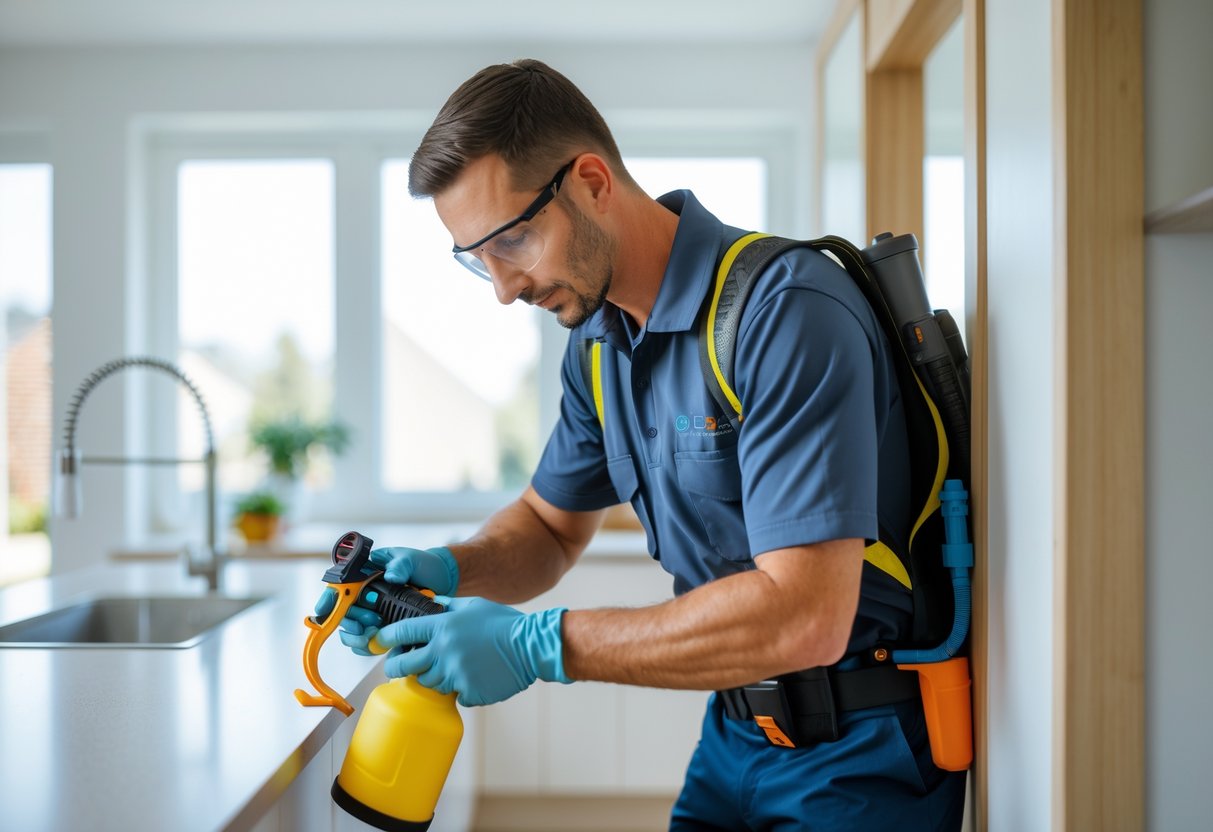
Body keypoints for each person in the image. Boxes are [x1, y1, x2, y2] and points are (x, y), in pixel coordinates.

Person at [325, 58, 966, 830]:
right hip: (733, 736)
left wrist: (539, 645)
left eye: (513, 240)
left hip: (856, 754)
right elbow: (548, 527)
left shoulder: (782, 313)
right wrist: (442, 571)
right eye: (476, 260)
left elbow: (805, 615)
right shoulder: (597, 348)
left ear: (591, 181)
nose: (503, 288)